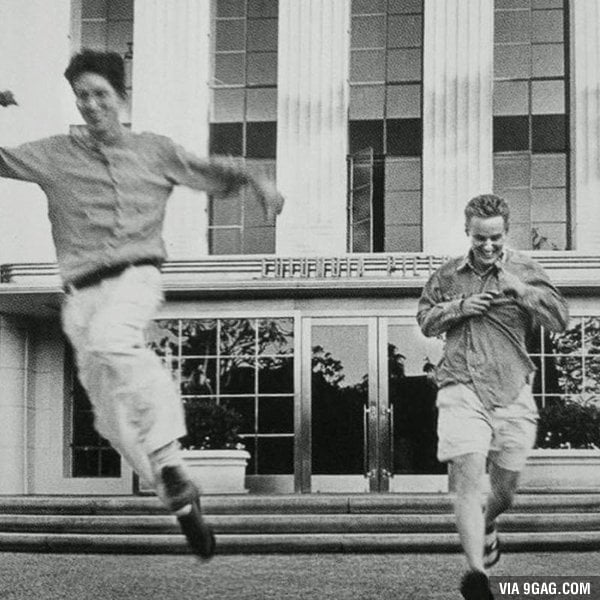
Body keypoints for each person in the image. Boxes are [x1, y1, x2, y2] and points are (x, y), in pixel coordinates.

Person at [0, 50, 284, 560]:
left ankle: (169, 457)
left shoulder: (155, 151)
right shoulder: (52, 154)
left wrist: (260, 181)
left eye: (100, 95)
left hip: (136, 276)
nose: (91, 105)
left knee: (115, 340)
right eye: (82, 96)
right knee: (110, 418)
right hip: (79, 295)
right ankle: (182, 503)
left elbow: (216, 169)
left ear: (120, 97)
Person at [417, 194, 568, 600]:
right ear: (467, 232)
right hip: (460, 385)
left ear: (506, 232)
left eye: (495, 238)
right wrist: (460, 307)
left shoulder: (526, 269)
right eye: (480, 238)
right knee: (466, 481)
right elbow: (425, 320)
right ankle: (476, 575)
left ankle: (488, 523)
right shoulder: (447, 275)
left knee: (504, 492)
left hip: (512, 388)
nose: (487, 246)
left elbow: (560, 319)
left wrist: (521, 291)